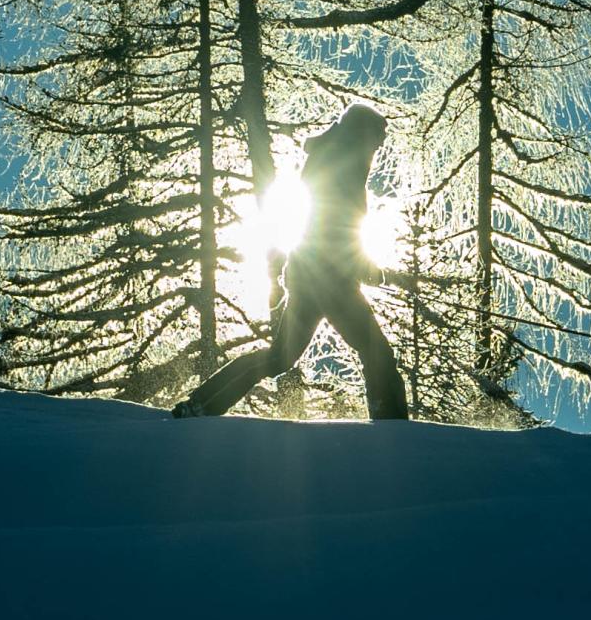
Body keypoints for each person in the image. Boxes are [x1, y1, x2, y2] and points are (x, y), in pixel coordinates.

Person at [171, 104, 411, 421]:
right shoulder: (345, 168)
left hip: (310, 278)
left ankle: (202, 404)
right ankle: (392, 426)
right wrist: (370, 272)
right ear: (361, 133)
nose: (379, 146)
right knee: (378, 353)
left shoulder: (331, 160)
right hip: (332, 283)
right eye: (377, 138)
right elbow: (338, 231)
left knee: (278, 358)